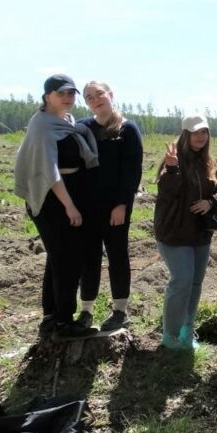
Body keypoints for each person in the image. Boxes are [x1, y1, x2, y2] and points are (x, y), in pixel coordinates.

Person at [14, 74, 100, 341]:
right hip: (53, 200)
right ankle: (64, 323)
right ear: (47, 96)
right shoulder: (42, 126)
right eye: (61, 93)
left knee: (57, 258)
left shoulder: (66, 122)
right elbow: (50, 173)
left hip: (66, 197)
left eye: (71, 93)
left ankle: (51, 317)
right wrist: (70, 207)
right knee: (68, 260)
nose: (67, 98)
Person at [154, 113, 217, 350]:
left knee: (195, 283)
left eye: (204, 132)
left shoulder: (209, 163)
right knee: (182, 281)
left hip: (200, 233)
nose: (201, 136)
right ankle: (170, 334)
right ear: (186, 135)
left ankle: (187, 329)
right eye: (195, 132)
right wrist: (173, 169)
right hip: (175, 233)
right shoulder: (173, 161)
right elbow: (167, 193)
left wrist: (211, 202)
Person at [77, 80, 143, 332]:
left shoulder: (127, 129)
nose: (95, 100)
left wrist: (122, 204)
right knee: (89, 258)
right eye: (89, 97)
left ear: (111, 94)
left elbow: (131, 172)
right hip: (88, 207)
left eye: (99, 94)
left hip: (116, 208)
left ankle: (119, 310)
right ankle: (86, 311)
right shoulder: (83, 127)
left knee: (117, 255)